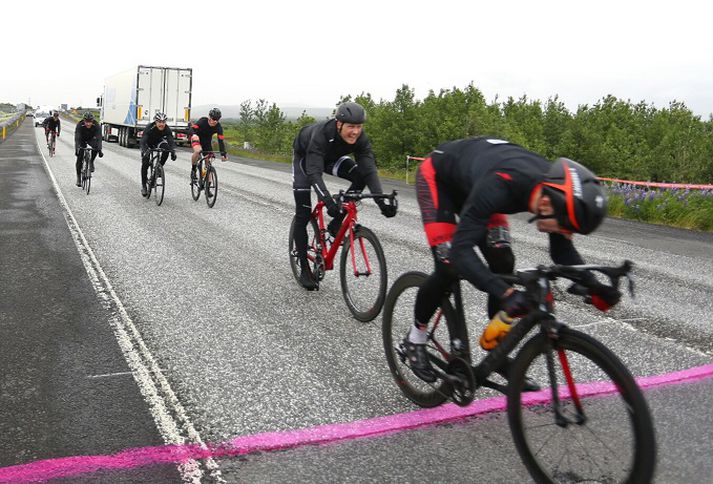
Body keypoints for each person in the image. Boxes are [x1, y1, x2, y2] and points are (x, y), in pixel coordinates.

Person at [405, 136, 619, 383]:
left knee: (502, 258)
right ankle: (415, 338)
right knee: (448, 265)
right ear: (548, 204)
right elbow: (460, 252)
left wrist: (594, 285)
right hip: (440, 181)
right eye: (568, 227)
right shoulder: (502, 186)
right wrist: (505, 294)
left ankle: (496, 352)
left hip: (478, 181)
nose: (567, 234)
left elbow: (562, 251)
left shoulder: (553, 189)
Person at [292, 101, 397, 290]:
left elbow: (369, 171)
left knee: (360, 177)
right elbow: (314, 172)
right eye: (351, 127)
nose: (355, 132)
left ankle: (336, 223)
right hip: (306, 158)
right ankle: (304, 268)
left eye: (359, 127)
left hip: (332, 158)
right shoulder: (321, 134)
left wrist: (381, 203)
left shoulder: (361, 138)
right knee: (303, 212)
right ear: (339, 124)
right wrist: (328, 201)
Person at [140, 112, 177, 197]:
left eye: (163, 122)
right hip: (147, 143)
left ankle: (159, 167)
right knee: (145, 162)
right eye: (159, 122)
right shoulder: (150, 127)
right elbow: (143, 141)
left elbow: (170, 141)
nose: (161, 124)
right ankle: (144, 186)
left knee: (166, 149)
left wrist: (173, 152)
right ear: (155, 122)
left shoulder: (167, 129)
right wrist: (145, 151)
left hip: (158, 142)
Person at [189, 107, 228, 178]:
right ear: (209, 117)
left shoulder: (218, 127)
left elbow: (220, 140)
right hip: (197, 139)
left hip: (206, 142)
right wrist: (194, 134)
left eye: (217, 119)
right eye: (213, 119)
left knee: (208, 161)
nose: (215, 121)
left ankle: (207, 185)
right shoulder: (203, 121)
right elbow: (192, 129)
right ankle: (193, 170)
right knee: (198, 151)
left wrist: (223, 154)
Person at [74, 112, 103, 187]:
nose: (88, 124)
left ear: (92, 121)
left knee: (96, 147)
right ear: (84, 120)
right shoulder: (80, 125)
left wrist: (99, 150)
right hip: (82, 140)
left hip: (91, 139)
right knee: (79, 158)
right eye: (86, 122)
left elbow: (99, 139)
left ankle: (91, 161)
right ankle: (78, 178)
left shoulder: (96, 126)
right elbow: (77, 138)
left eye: (90, 122)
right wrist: (77, 149)